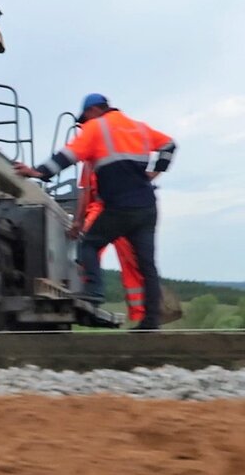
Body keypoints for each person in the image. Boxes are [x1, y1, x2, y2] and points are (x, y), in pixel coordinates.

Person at [15, 94, 176, 330]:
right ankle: (151, 321)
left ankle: (94, 292)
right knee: (147, 265)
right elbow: (170, 145)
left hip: (120, 207)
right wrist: (154, 172)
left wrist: (37, 172)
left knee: (88, 245)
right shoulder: (139, 128)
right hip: (147, 207)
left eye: (85, 119)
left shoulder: (96, 128)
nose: (84, 124)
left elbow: (67, 156)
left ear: (92, 111)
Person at [76, 162, 146, 324]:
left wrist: (79, 221)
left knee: (87, 250)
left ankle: (140, 314)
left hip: (118, 209)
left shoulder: (93, 158)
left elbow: (85, 191)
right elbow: (86, 190)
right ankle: (90, 296)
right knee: (86, 252)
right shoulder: (126, 155)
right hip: (117, 209)